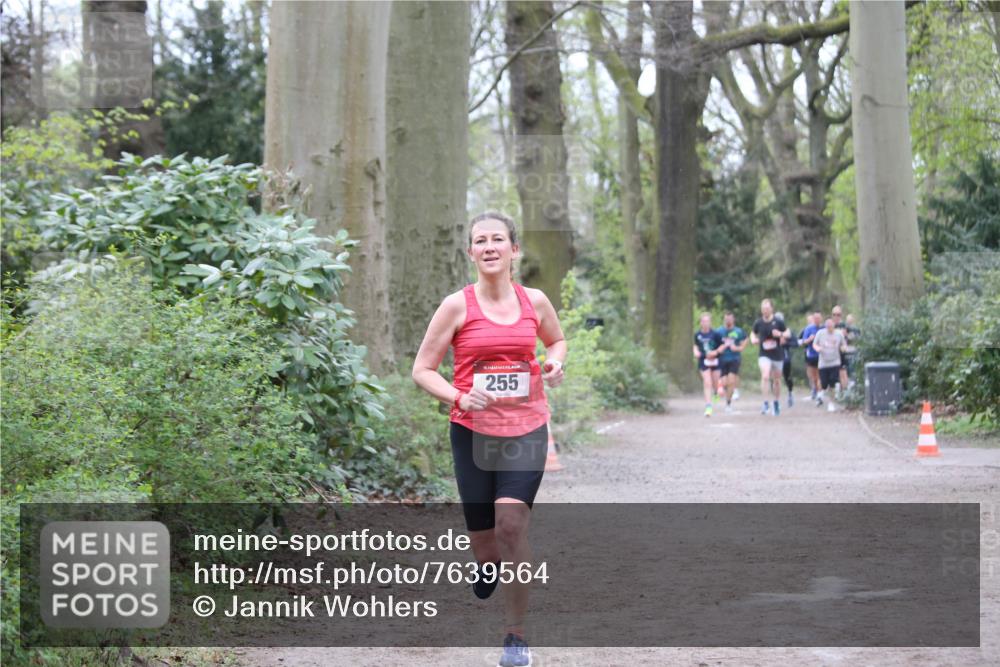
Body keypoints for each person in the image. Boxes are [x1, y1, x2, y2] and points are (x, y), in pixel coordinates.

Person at [411, 212, 565, 667]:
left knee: (511, 527)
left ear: (514, 250)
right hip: (472, 432)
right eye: (481, 240)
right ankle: (487, 562)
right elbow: (421, 369)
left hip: (526, 429)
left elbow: (556, 342)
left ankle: (515, 637)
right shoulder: (455, 306)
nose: (490, 246)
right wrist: (459, 395)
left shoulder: (535, 301)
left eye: (499, 239)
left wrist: (555, 363)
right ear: (471, 252)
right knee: (485, 542)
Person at [750, 298, 788, 416]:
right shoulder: (758, 322)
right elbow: (753, 332)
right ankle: (765, 403)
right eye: (763, 308)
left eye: (767, 308)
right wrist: (753, 339)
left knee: (776, 380)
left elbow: (788, 333)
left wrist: (781, 334)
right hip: (764, 354)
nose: (765, 310)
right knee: (765, 376)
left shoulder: (778, 322)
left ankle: (776, 402)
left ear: (771, 309)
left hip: (777, 354)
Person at [716, 311, 748, 413]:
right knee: (725, 382)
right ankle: (720, 392)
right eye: (726, 319)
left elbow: (745, 340)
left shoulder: (738, 331)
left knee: (731, 381)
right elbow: (714, 344)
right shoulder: (719, 332)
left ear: (733, 319)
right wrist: (719, 349)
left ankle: (728, 403)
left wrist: (738, 348)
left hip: (734, 359)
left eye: (730, 319)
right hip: (722, 359)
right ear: (724, 319)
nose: (728, 321)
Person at [813, 317, 847, 412]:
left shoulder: (838, 334)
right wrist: (818, 348)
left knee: (832, 383)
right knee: (824, 383)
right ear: (825, 326)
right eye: (827, 327)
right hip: (823, 363)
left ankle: (831, 403)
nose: (829, 328)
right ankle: (821, 394)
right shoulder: (820, 333)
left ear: (834, 326)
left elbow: (844, 344)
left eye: (831, 326)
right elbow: (814, 344)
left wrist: (843, 348)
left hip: (835, 362)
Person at [693, 313, 724, 417]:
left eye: (707, 321)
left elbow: (723, 346)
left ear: (710, 322)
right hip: (704, 360)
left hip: (715, 361)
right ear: (701, 323)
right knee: (707, 382)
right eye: (703, 321)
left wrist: (716, 352)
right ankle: (708, 407)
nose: (705, 323)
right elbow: (695, 346)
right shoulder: (697, 335)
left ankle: (716, 391)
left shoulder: (716, 334)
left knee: (715, 382)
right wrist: (696, 351)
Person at [776, 311, 798, 408]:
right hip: (773, 356)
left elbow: (795, 343)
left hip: (785, 357)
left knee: (787, 376)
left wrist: (785, 343)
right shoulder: (771, 331)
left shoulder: (787, 331)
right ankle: (776, 399)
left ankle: (790, 392)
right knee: (775, 378)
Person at [799, 312, 822, 402]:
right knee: (813, 376)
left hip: (821, 355)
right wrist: (810, 339)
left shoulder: (823, 328)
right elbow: (801, 341)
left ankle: (819, 393)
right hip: (810, 355)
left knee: (820, 375)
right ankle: (815, 391)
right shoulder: (807, 329)